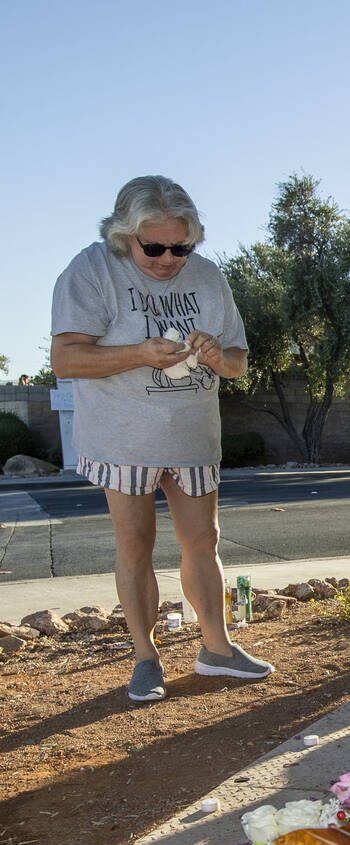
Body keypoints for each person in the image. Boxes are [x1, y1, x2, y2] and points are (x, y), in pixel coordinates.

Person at [50, 175, 273, 703]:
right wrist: (139, 353)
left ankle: (216, 650)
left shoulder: (209, 277)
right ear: (123, 235)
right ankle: (146, 659)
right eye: (154, 247)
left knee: (204, 541)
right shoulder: (92, 269)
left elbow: (239, 364)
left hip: (193, 434)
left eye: (181, 246)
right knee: (135, 545)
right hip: (122, 436)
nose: (168, 258)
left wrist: (219, 357)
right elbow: (66, 359)